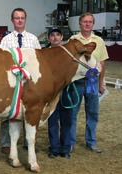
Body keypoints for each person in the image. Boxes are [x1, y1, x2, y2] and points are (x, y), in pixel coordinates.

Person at [0, 7, 41, 154]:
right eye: (17, 18)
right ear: (12, 21)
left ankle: (28, 142)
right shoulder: (6, 40)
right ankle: (6, 142)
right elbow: (0, 61)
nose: (20, 20)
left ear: (25, 19)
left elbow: (39, 61)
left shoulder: (33, 39)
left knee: (29, 111)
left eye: (22, 17)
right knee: (8, 112)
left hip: (30, 82)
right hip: (11, 82)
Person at [69, 12, 109, 153]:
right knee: (72, 113)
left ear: (93, 24)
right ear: (80, 24)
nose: (87, 24)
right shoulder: (73, 40)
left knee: (92, 113)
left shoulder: (99, 41)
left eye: (90, 22)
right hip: (77, 82)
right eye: (84, 21)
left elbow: (102, 63)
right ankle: (71, 142)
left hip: (93, 81)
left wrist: (101, 83)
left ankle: (91, 141)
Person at [45, 27, 72, 159]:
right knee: (52, 121)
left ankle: (65, 148)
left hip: (67, 90)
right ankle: (54, 148)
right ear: (48, 38)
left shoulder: (69, 53)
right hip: (51, 92)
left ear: (62, 37)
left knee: (67, 121)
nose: (55, 37)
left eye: (57, 35)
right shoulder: (43, 54)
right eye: (52, 35)